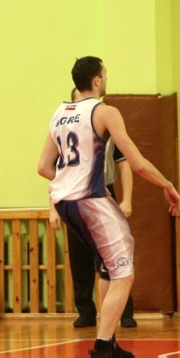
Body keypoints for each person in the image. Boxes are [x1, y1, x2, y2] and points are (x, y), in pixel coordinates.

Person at [38, 56, 180, 358]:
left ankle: (110, 341)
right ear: (97, 80)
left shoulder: (59, 113)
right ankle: (101, 354)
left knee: (107, 267)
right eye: (105, 74)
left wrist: (68, 179)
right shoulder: (104, 111)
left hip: (64, 201)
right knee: (124, 272)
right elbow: (136, 162)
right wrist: (167, 185)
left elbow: (43, 167)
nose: (106, 79)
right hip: (91, 199)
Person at [67, 87, 136, 329]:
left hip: (102, 191)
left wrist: (126, 200)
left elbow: (126, 166)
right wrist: (53, 208)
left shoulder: (106, 127)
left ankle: (123, 312)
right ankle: (86, 311)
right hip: (74, 194)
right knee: (80, 257)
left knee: (115, 255)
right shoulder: (66, 132)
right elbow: (52, 171)